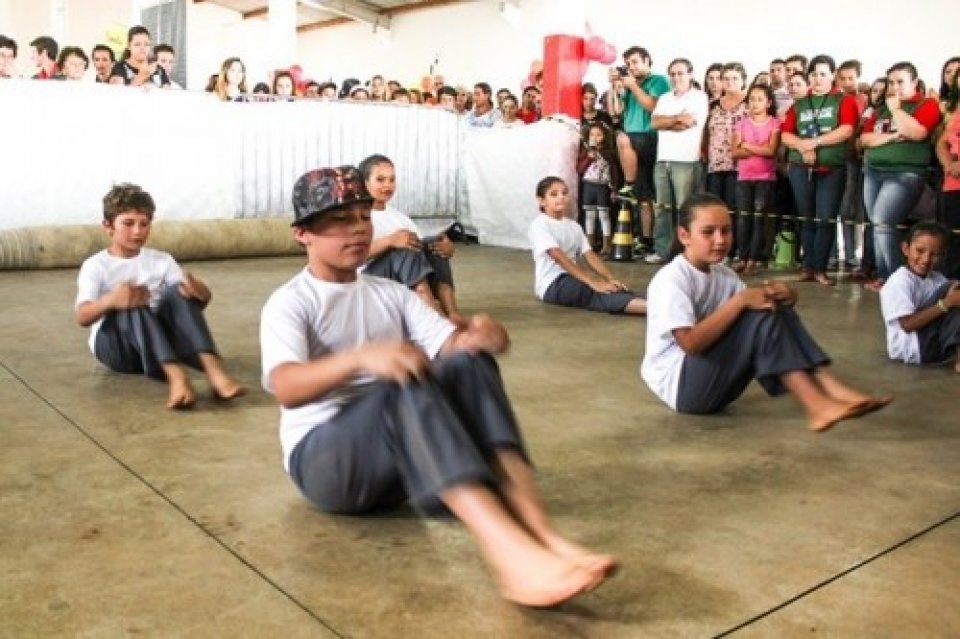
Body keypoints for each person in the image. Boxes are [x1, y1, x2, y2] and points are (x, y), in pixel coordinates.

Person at [260, 165, 616, 608]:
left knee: (466, 362)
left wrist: (484, 338)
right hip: (327, 465)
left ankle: (542, 535)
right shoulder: (291, 302)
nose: (355, 229)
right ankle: (511, 560)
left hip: (404, 465)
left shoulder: (390, 294)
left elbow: (452, 345)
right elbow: (286, 386)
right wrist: (359, 359)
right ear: (303, 234)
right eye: (338, 220)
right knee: (400, 381)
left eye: (362, 217)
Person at [641, 192, 891, 430]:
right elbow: (691, 343)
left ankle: (829, 387)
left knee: (769, 304)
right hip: (683, 388)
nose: (720, 240)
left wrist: (786, 296)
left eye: (726, 231)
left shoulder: (724, 275)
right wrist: (739, 302)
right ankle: (818, 403)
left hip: (713, 383)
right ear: (684, 235)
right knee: (756, 311)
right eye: (708, 232)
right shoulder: (672, 279)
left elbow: (754, 312)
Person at [74, 184, 245, 409]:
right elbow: (82, 317)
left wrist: (199, 292)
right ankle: (177, 377)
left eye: (144, 224)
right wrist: (112, 300)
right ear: (108, 227)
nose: (137, 231)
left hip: (158, 343)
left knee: (176, 290)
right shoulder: (96, 266)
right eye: (128, 223)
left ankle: (214, 370)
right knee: (133, 301)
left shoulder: (161, 260)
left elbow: (190, 308)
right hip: (119, 350)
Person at [860, 61, 942, 289]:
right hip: (873, 171)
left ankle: (899, 281)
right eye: (891, 82)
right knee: (878, 225)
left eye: (900, 82)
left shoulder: (926, 105)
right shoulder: (879, 110)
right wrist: (895, 136)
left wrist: (897, 110)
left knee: (884, 221)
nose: (894, 87)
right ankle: (884, 275)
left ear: (914, 83)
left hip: (905, 173)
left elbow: (916, 133)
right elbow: (865, 140)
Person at [781, 55, 858, 286]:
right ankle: (808, 267)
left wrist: (814, 143)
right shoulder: (800, 104)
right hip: (800, 168)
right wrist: (802, 146)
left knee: (825, 218)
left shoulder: (843, 100)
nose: (817, 78)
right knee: (806, 219)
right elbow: (786, 135)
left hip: (831, 169)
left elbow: (846, 130)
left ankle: (821, 268)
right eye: (813, 74)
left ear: (832, 75)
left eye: (823, 74)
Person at [359, 154, 463, 323]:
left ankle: (452, 312)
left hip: (401, 283)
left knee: (431, 244)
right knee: (405, 247)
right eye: (380, 179)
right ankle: (434, 316)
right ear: (364, 184)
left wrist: (447, 249)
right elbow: (351, 258)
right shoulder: (356, 217)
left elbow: (421, 251)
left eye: (392, 180)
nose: (388, 185)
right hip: (369, 285)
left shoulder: (399, 218)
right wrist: (390, 241)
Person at [527, 176, 646, 315]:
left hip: (572, 277)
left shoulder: (574, 226)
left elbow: (589, 255)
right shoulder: (539, 225)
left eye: (564, 193)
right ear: (541, 201)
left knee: (616, 290)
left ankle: (657, 304)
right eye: (554, 194)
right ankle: (658, 309)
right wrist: (593, 282)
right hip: (552, 284)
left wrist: (611, 278)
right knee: (596, 294)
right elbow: (559, 257)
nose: (561, 197)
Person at [608, 46, 670, 253]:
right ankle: (646, 239)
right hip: (633, 147)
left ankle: (629, 183)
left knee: (655, 197)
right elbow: (616, 112)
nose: (631, 67)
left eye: (635, 62)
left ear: (647, 61)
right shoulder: (628, 84)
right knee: (644, 198)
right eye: (628, 64)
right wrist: (614, 88)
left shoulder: (659, 81)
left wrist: (633, 86)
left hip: (651, 139)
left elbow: (654, 107)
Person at [649, 58, 709, 263]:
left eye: (680, 73)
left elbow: (690, 123)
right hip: (662, 159)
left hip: (686, 160)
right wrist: (676, 119)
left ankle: (686, 252)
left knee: (685, 209)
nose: (676, 77)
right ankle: (663, 251)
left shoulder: (699, 97)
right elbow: (654, 123)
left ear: (691, 74)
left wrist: (669, 121)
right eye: (673, 74)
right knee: (662, 209)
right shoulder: (665, 98)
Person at [879, 222, 960, 372]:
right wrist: (947, 303)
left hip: (931, 344)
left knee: (955, 289)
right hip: (912, 347)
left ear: (942, 256)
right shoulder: (899, 282)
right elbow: (907, 325)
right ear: (906, 249)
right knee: (951, 290)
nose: (926, 259)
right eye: (920, 251)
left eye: (934, 254)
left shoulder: (937, 278)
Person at [731, 83, 781, 276]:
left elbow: (771, 151)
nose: (755, 103)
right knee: (743, 219)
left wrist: (746, 144)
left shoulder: (774, 123)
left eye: (760, 99)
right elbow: (735, 152)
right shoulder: (741, 123)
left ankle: (754, 259)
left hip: (765, 178)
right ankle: (742, 257)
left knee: (759, 219)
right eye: (752, 99)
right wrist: (756, 147)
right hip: (744, 177)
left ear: (768, 102)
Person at [703, 62, 748, 229]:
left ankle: (735, 246)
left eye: (735, 78)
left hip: (740, 164)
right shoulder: (713, 105)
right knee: (716, 208)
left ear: (743, 80)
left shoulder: (750, 102)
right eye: (726, 78)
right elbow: (706, 132)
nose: (730, 82)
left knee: (734, 206)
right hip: (715, 164)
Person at [578, 124, 616, 255]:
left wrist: (614, 189)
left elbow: (614, 171)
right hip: (589, 185)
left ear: (604, 137)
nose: (595, 137)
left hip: (603, 186)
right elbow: (579, 169)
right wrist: (589, 157)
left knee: (604, 215)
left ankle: (607, 245)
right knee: (589, 215)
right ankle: (590, 244)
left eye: (598, 134)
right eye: (592, 135)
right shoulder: (585, 152)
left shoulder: (608, 153)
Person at [937, 69, 960, 279]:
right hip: (952, 183)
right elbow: (942, 142)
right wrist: (949, 164)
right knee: (952, 241)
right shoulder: (957, 112)